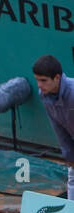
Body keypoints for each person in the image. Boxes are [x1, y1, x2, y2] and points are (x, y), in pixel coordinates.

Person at [34, 55, 74, 201]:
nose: (39, 84)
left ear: (57, 78)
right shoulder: (44, 95)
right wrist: (69, 154)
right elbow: (57, 125)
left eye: (43, 80)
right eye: (37, 80)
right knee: (73, 177)